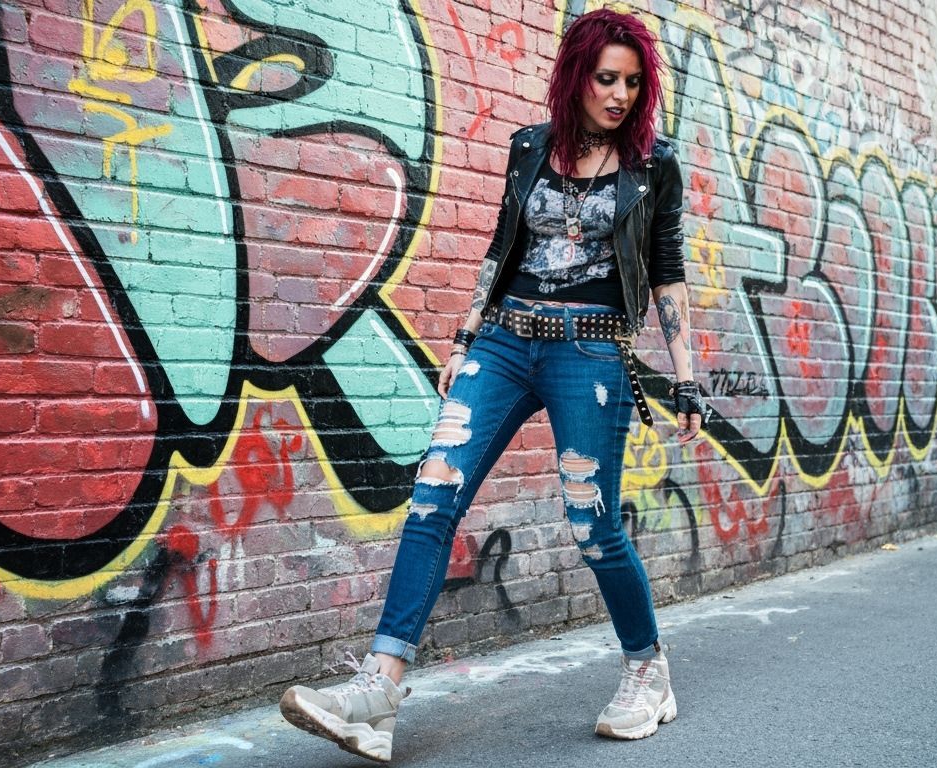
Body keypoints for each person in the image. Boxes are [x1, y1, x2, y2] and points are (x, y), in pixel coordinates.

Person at [279, 8, 706, 762]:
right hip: (506, 343)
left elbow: (667, 273)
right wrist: (466, 336)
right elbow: (500, 248)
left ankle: (648, 669)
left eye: (633, 83)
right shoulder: (530, 149)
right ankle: (378, 692)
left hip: (592, 352)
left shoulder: (655, 165)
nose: (619, 95)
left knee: (592, 524)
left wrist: (688, 379)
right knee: (433, 496)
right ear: (576, 75)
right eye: (606, 78)